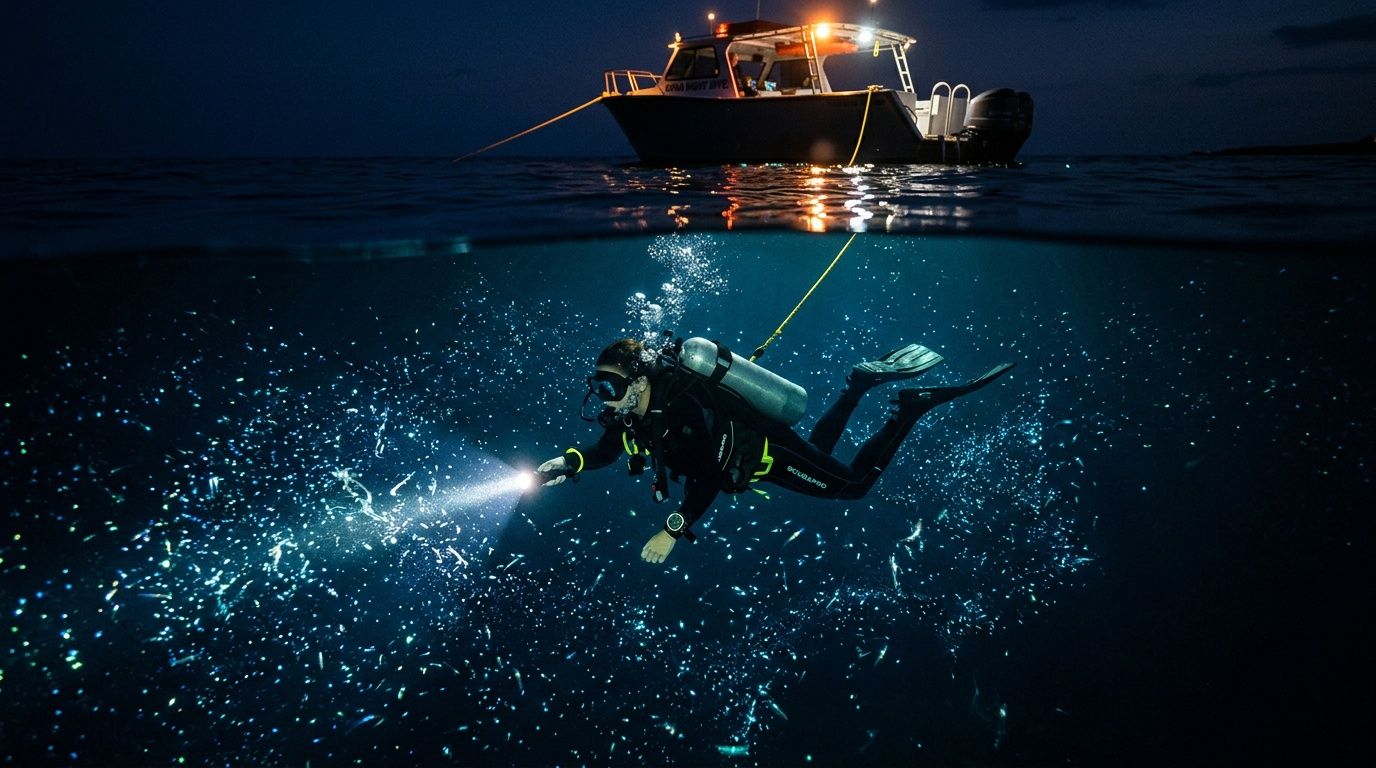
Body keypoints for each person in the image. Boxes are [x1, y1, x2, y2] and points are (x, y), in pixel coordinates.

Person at [537, 337, 1013, 564]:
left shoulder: (681, 410)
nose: (606, 397)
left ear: (640, 380)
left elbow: (707, 477)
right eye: (599, 386)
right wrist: (568, 463)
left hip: (770, 451)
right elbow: (605, 450)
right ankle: (857, 384)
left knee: (852, 486)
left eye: (613, 386)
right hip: (758, 458)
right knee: (819, 450)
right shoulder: (634, 415)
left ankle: (910, 408)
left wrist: (672, 530)